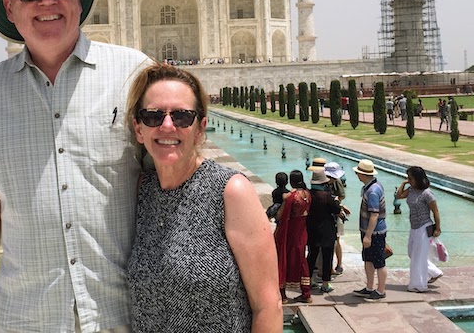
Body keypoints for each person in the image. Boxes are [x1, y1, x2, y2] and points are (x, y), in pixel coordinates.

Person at [0, 0, 149, 333]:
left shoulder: (133, 75)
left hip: (125, 316)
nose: (47, 1)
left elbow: (178, 183)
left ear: (79, 0)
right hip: (25, 317)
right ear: (10, 7)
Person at [125, 63, 282, 332]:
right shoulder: (144, 190)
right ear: (139, 129)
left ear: (200, 128)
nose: (166, 126)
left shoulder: (230, 191)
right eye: (152, 116)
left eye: (182, 116)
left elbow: (268, 305)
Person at [396, 166, 443, 292]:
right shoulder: (411, 190)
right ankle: (435, 272)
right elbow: (399, 196)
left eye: (410, 178)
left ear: (418, 179)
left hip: (424, 226)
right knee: (412, 253)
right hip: (414, 226)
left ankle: (419, 285)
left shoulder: (427, 193)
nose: (409, 180)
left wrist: (437, 228)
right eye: (408, 178)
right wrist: (403, 183)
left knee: (419, 256)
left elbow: (435, 212)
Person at [275, 170, 312, 304]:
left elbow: (281, 216)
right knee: (302, 261)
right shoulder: (308, 194)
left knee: (284, 259)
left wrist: (284, 201)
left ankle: (283, 294)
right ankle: (306, 293)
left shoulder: (292, 197)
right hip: (302, 232)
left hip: (290, 233)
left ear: (291, 181)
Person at [352, 159, 388, 300]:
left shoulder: (372, 191)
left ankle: (380, 290)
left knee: (379, 261)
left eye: (358, 173)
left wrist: (368, 236)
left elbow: (374, 214)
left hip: (375, 232)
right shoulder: (373, 186)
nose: (357, 176)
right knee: (368, 259)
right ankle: (369, 287)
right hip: (369, 230)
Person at [306, 168, 342, 293]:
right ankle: (325, 283)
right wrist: (336, 201)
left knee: (311, 255)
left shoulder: (308, 194)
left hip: (312, 228)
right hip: (326, 229)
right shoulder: (326, 196)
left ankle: (308, 280)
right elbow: (336, 209)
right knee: (327, 256)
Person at [324, 162, 351, 275]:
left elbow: (341, 196)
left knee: (337, 239)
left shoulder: (336, 182)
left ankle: (339, 264)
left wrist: (337, 203)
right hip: (328, 212)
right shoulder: (323, 182)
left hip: (335, 212)